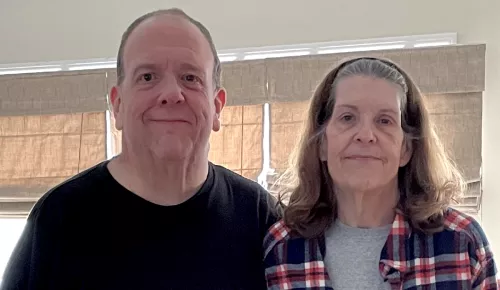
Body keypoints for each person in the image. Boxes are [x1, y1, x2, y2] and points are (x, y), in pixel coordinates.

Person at [1, 8, 278, 290]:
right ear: (117, 105)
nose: (171, 94)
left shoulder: (261, 216)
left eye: (190, 78)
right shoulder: (57, 219)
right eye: (147, 77)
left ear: (217, 106)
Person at [263, 57, 499, 289]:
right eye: (347, 118)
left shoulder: (462, 242)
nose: (366, 134)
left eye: (384, 121)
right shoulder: (281, 249)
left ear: (406, 148)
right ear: (322, 144)